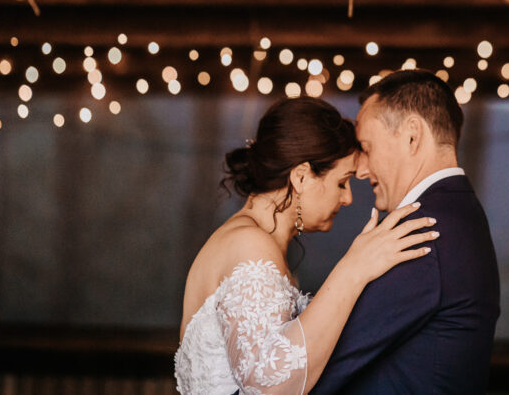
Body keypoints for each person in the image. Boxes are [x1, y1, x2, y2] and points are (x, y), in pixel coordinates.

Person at [175, 96, 439, 395]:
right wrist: (352, 270)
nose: (348, 198)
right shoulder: (250, 244)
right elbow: (268, 387)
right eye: (342, 182)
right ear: (301, 176)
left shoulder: (248, 238)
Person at [311, 69, 501, 394]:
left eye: (367, 148)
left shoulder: (421, 233)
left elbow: (319, 369)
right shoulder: (459, 213)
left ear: (412, 136)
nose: (360, 169)